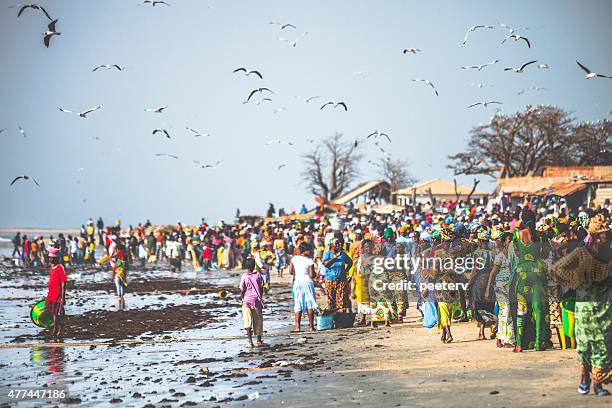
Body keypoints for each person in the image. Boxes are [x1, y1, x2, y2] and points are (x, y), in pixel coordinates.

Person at [551, 213, 611, 396]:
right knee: (585, 345)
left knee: (604, 344)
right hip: (584, 306)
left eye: (607, 233)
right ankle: (584, 379)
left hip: (605, 306)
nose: (606, 236)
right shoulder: (581, 251)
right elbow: (557, 269)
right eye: (602, 233)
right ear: (593, 234)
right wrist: (575, 281)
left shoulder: (609, 253)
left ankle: (598, 383)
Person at [509, 209, 552, 352]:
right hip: (538, 272)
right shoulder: (541, 235)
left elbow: (516, 252)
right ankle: (540, 342)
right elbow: (546, 253)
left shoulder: (516, 235)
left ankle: (519, 343)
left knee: (521, 308)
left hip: (522, 274)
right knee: (539, 309)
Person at [486, 232, 515, 348]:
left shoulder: (515, 256)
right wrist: (488, 289)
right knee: (506, 310)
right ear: (504, 242)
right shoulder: (500, 256)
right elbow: (493, 273)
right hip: (500, 288)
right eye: (508, 240)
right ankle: (507, 339)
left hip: (512, 287)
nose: (510, 242)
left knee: (508, 312)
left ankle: (501, 337)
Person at [289, 242, 317, 332]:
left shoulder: (294, 259)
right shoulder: (309, 261)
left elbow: (291, 271)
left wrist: (298, 274)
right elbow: (312, 275)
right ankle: (311, 327)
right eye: (309, 250)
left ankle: (297, 327)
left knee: (298, 304)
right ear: (305, 250)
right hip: (307, 282)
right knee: (310, 304)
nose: (311, 252)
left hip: (298, 282)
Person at [240, 257, 265, 348]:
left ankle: (250, 342)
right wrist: (260, 297)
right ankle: (258, 340)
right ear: (254, 266)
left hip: (247, 300)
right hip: (257, 300)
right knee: (258, 320)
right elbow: (261, 287)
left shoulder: (244, 276)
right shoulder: (258, 275)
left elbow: (242, 290)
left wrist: (242, 299)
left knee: (247, 321)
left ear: (245, 266)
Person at [322, 238, 353, 312]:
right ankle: (332, 318)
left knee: (341, 300)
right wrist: (335, 258)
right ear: (331, 245)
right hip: (330, 280)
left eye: (339, 243)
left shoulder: (343, 254)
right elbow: (326, 264)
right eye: (336, 243)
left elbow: (350, 262)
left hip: (341, 280)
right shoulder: (328, 253)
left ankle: (341, 319)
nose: (339, 245)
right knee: (331, 301)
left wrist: (346, 271)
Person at [45, 247, 67, 338]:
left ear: (56, 258)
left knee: (55, 312)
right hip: (50, 294)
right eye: (49, 258)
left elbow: (63, 283)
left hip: (57, 294)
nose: (50, 259)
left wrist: (63, 297)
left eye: (52, 258)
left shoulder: (60, 267)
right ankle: (58, 325)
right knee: (47, 310)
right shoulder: (51, 267)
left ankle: (55, 330)